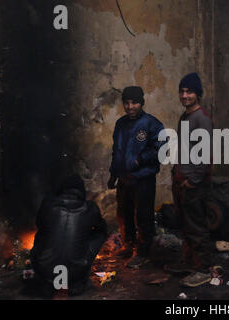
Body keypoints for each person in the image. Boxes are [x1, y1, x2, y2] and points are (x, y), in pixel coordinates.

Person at [108, 86, 165, 269]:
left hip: (143, 179)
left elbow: (161, 149)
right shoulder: (120, 124)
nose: (130, 106)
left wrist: (140, 160)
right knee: (124, 214)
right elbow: (115, 151)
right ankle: (128, 245)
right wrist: (113, 174)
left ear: (142, 103)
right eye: (127, 102)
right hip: (124, 179)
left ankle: (143, 252)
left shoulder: (152, 124)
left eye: (134, 102)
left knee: (143, 215)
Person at [168, 73, 217, 287]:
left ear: (198, 94)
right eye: (182, 91)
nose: (185, 95)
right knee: (185, 225)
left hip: (193, 183)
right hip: (181, 178)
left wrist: (193, 179)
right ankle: (190, 262)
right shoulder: (185, 117)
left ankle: (203, 269)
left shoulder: (201, 118)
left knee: (196, 227)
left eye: (189, 91)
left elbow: (205, 154)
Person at [30, 174, 107, 297]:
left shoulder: (48, 204)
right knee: (99, 235)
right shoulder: (91, 208)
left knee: (41, 235)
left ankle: (48, 282)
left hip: (46, 271)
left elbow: (40, 224)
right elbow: (103, 230)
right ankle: (74, 282)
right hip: (75, 272)